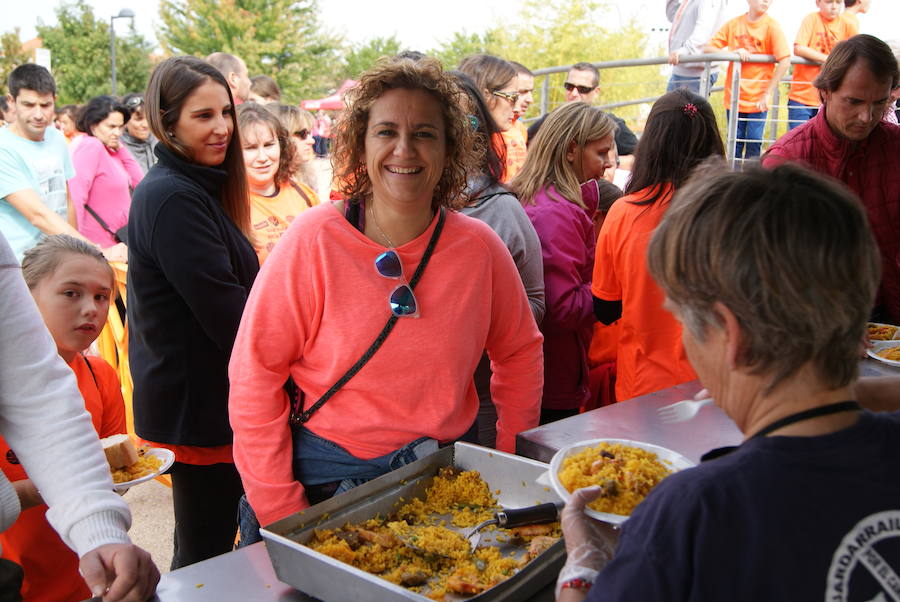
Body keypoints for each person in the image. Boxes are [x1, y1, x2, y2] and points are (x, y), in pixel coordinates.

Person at [228, 56, 543, 542]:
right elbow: (255, 375)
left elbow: (520, 351)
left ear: (450, 149)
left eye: (424, 133)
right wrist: (281, 509)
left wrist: (509, 462)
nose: (404, 149)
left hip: (441, 481)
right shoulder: (313, 239)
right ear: (360, 142)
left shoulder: (480, 248)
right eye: (386, 131)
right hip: (324, 487)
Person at [556, 161, 900, 602]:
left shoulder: (692, 514)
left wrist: (582, 570)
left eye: (681, 319)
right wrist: (845, 394)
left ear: (729, 335)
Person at [128, 55, 259, 569]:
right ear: (167, 120)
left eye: (226, 112)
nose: (223, 127)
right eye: (203, 116)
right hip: (200, 407)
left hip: (212, 399)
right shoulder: (171, 196)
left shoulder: (195, 187)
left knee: (211, 550)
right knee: (203, 557)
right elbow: (228, 313)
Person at [0, 231, 159, 601]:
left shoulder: (100, 375)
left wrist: (101, 530)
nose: (91, 308)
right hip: (20, 570)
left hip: (78, 566)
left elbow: (110, 467)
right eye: (71, 293)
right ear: (25, 296)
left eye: (102, 297)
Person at [593, 88, 725, 404]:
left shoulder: (623, 212)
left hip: (642, 387)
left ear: (652, 143)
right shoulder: (732, 212)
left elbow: (606, 307)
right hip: (716, 385)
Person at [764, 34, 900, 324]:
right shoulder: (786, 160)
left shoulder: (896, 147)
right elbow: (770, 269)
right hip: (816, 327)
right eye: (853, 102)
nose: (866, 116)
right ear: (825, 92)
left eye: (879, 103)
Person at [452, 70, 545, 448]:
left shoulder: (502, 210)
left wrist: (474, 321)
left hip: (483, 402)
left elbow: (536, 304)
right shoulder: (393, 214)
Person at [511, 102, 616, 424]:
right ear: (572, 149)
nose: (607, 165)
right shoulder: (557, 212)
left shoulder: (536, 199)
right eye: (601, 153)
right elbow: (561, 307)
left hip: (539, 367)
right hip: (553, 371)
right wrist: (613, 287)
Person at [0, 65, 126, 263]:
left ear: (54, 101)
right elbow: (37, 215)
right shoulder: (3, 148)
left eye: (45, 105)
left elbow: (67, 200)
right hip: (19, 266)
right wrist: (93, 251)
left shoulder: (56, 138)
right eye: (29, 105)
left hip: (56, 262)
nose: (38, 114)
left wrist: (74, 255)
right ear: (11, 102)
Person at [704, 0, 791, 161]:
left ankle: (752, 184)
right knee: (733, 145)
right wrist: (734, 52)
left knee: (753, 144)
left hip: (758, 100)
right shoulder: (734, 24)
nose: (766, 2)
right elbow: (708, 48)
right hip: (735, 98)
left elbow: (785, 60)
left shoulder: (772, 26)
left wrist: (767, 93)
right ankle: (734, 183)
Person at [238, 103, 318, 264]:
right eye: (250, 148)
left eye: (268, 145)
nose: (262, 157)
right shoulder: (229, 204)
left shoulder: (304, 194)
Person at [526, 63, 638, 168]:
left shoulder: (611, 125)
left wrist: (610, 161)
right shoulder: (550, 121)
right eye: (569, 86)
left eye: (582, 89)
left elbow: (640, 158)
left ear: (596, 92)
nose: (574, 93)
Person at [69, 95, 144, 248]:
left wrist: (120, 148)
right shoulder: (91, 146)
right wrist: (78, 245)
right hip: (97, 245)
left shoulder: (110, 150)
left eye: (121, 127)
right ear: (93, 126)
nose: (117, 133)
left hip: (117, 241)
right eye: (111, 127)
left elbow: (140, 183)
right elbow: (76, 197)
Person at [787, 0, 858, 130]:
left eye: (838, 2)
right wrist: (829, 59)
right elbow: (799, 48)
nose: (834, 6)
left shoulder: (848, 25)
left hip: (831, 97)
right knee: (798, 141)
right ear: (818, 3)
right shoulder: (811, 19)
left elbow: (856, 54)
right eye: (829, 2)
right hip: (803, 95)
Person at [457, 54, 521, 181]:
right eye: (513, 98)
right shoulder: (460, 151)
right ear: (486, 96)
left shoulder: (484, 144)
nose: (517, 108)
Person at [666, 0, 732, 94]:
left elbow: (702, 31)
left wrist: (683, 51)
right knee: (669, 108)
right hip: (680, 68)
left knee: (687, 108)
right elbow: (673, 15)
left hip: (697, 74)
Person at [266, 103, 319, 191]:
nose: (311, 141)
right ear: (282, 137)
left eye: (310, 133)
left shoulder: (305, 176)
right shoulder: (265, 188)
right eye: (303, 134)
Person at [501, 61, 534, 183]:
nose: (530, 100)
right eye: (522, 92)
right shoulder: (492, 130)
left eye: (531, 92)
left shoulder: (520, 128)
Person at [120, 93, 158, 175]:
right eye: (138, 119)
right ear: (124, 121)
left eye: (148, 119)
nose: (145, 125)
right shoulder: (118, 148)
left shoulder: (160, 143)